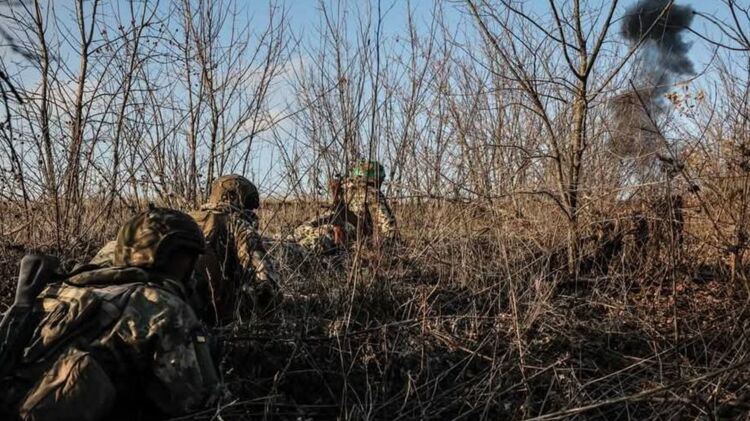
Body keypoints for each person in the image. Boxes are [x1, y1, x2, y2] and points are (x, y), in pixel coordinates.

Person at [0, 207, 220, 421]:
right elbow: (202, 406)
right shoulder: (161, 306)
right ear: (170, 256)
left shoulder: (57, 290)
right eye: (188, 258)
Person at [190, 174, 280, 325]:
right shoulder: (237, 225)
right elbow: (264, 281)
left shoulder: (188, 218)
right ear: (235, 199)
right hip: (213, 316)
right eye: (248, 206)